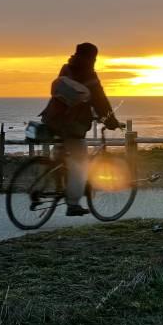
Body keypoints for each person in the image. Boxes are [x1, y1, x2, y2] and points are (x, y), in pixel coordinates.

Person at [40, 42, 123, 216]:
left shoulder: (66, 69)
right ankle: (73, 204)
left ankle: (55, 184)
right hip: (71, 127)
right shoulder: (89, 76)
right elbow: (101, 102)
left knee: (60, 156)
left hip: (53, 120)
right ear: (92, 58)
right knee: (81, 164)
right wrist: (111, 121)